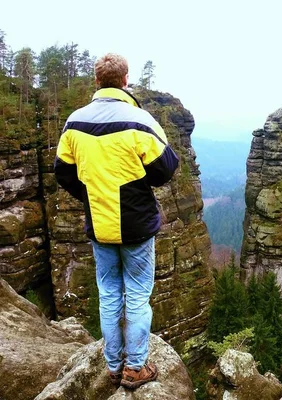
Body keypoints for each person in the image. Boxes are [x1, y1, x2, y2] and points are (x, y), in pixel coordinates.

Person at [54, 53, 179, 389]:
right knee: (137, 295)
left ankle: (113, 366)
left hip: (99, 224)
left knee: (109, 294)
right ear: (125, 80)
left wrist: (91, 192)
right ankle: (135, 367)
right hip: (137, 225)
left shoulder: (74, 123)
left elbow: (62, 173)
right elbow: (166, 167)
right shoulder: (140, 121)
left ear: (97, 81)